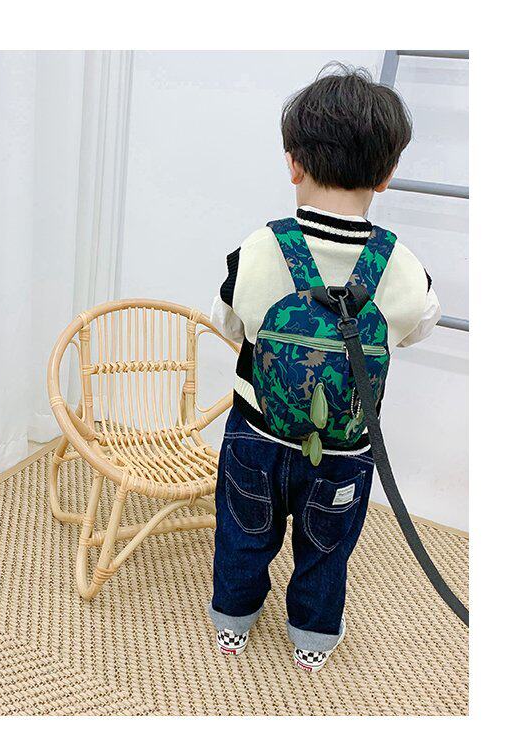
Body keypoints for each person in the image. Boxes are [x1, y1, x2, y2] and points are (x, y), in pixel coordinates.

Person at [209, 65, 441, 671]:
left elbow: (228, 323)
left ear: (293, 164)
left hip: (256, 436)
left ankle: (233, 621)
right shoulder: (401, 265)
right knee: (327, 549)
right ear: (387, 174)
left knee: (242, 533)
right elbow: (419, 325)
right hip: (344, 449)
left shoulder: (259, 248)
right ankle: (312, 639)